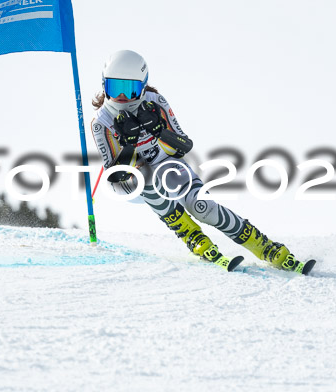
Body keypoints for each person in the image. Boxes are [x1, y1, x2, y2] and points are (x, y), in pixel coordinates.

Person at [91, 50, 313, 274]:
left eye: (129, 89)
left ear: (143, 86)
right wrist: (129, 145)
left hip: (166, 164)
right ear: (104, 85)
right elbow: (116, 176)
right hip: (130, 181)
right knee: (144, 173)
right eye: (114, 87)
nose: (121, 97)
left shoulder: (155, 102)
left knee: (203, 207)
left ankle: (266, 247)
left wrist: (158, 131)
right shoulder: (102, 122)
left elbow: (184, 147)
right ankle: (193, 238)